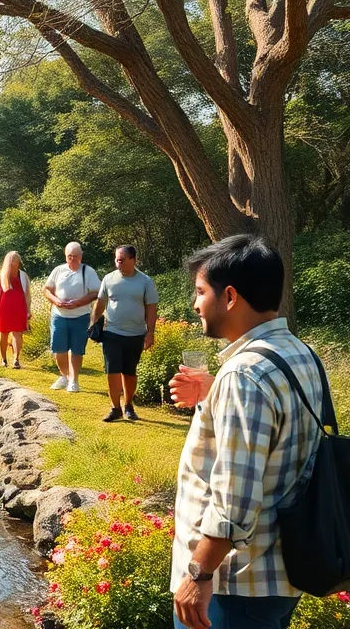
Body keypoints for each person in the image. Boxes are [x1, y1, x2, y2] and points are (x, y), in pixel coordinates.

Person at [168, 235, 324, 629]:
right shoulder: (300, 354)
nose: (195, 304)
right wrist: (211, 394)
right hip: (278, 574)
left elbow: (234, 496)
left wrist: (199, 575)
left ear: (231, 296)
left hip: (233, 585)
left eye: (201, 292)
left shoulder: (244, 374)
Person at [90, 245, 159, 422]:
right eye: (116, 259)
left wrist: (150, 332)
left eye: (121, 260)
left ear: (133, 260)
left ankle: (128, 405)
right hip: (112, 332)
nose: (117, 263)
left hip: (136, 334)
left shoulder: (145, 281)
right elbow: (100, 302)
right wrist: (92, 323)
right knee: (112, 370)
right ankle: (115, 408)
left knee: (129, 372)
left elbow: (151, 308)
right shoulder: (108, 279)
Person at [43, 242, 101, 393]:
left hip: (80, 316)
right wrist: (56, 301)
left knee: (77, 350)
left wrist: (78, 303)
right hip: (59, 315)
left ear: (81, 256)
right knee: (58, 348)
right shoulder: (58, 270)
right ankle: (65, 376)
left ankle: (74, 380)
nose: (72, 259)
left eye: (75, 257)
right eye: (70, 257)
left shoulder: (88, 272)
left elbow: (96, 293)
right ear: (65, 256)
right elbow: (47, 289)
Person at [0, 251, 32, 369]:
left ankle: (16, 359)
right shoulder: (1, 276)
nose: (14, 264)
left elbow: (27, 294)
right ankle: (3, 359)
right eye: (12, 262)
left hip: (19, 307)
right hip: (4, 307)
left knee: (17, 333)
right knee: (4, 334)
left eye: (16, 262)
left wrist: (28, 310)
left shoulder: (23, 276)